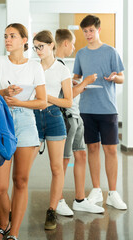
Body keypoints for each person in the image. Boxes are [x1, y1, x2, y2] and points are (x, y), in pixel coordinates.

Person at [0, 23, 47, 240]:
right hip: (1, 121)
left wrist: (20, 102)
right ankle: (3, 224)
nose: (7, 40)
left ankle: (13, 232)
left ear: (24, 40)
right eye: (5, 36)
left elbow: (42, 102)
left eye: (12, 36)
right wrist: (4, 92)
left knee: (20, 181)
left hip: (25, 121)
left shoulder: (34, 67)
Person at [73, 15, 127, 210]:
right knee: (92, 148)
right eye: (85, 31)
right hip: (86, 109)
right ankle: (96, 189)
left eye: (91, 31)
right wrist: (76, 82)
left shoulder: (110, 51)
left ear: (98, 30)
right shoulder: (81, 54)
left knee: (111, 149)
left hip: (107, 109)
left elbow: (122, 78)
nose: (88, 34)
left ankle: (112, 192)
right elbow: (76, 77)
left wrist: (114, 77)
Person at [55, 29, 105, 215]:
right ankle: (58, 200)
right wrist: (85, 83)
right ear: (65, 43)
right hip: (67, 118)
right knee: (63, 160)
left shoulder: (64, 68)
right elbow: (66, 97)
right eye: (73, 43)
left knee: (80, 156)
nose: (75, 47)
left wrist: (75, 84)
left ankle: (79, 199)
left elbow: (67, 90)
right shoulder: (57, 66)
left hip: (77, 117)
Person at [33, 30, 73, 230]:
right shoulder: (32, 67)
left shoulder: (61, 69)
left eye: (41, 46)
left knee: (57, 168)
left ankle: (52, 210)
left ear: (51, 46)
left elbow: (68, 101)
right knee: (23, 168)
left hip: (54, 116)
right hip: (33, 117)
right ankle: (12, 210)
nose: (38, 50)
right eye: (35, 47)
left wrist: (46, 98)